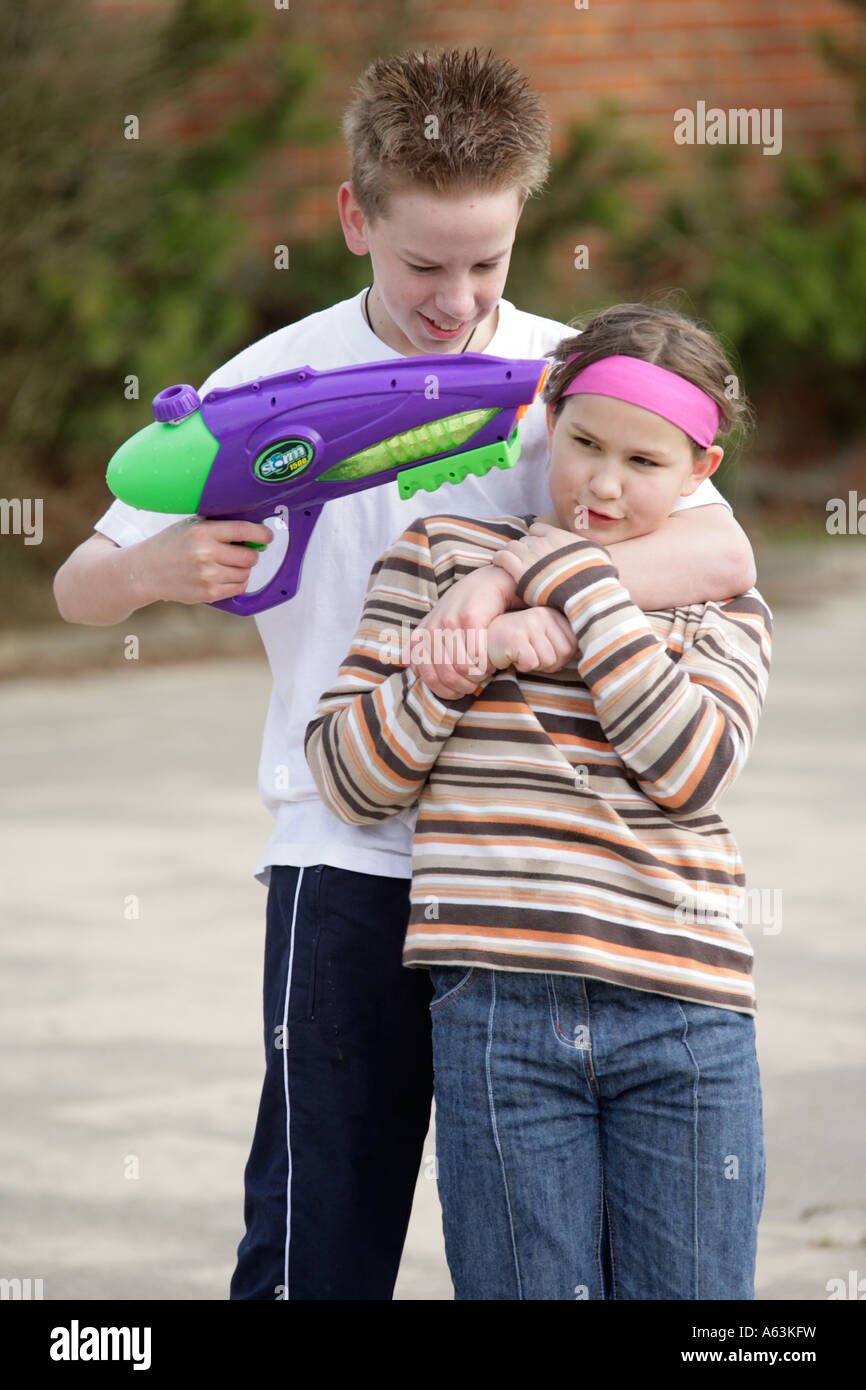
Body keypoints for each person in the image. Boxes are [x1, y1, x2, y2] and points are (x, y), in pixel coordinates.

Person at [52, 50, 756, 1301]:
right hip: (346, 857)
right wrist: (161, 566)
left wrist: (506, 589)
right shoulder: (260, 389)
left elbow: (719, 545)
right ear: (351, 217)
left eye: (485, 264)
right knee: (316, 1238)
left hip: (536, 875)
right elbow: (78, 585)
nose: (455, 299)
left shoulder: (568, 384)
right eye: (422, 264)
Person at [304, 301, 773, 1300]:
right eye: (583, 442)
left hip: (681, 1011)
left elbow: (685, 768)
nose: (602, 483)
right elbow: (348, 779)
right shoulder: (437, 555)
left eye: (644, 463)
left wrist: (563, 582)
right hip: (495, 1009)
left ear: (700, 473)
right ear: (546, 419)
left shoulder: (717, 598)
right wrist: (455, 669)